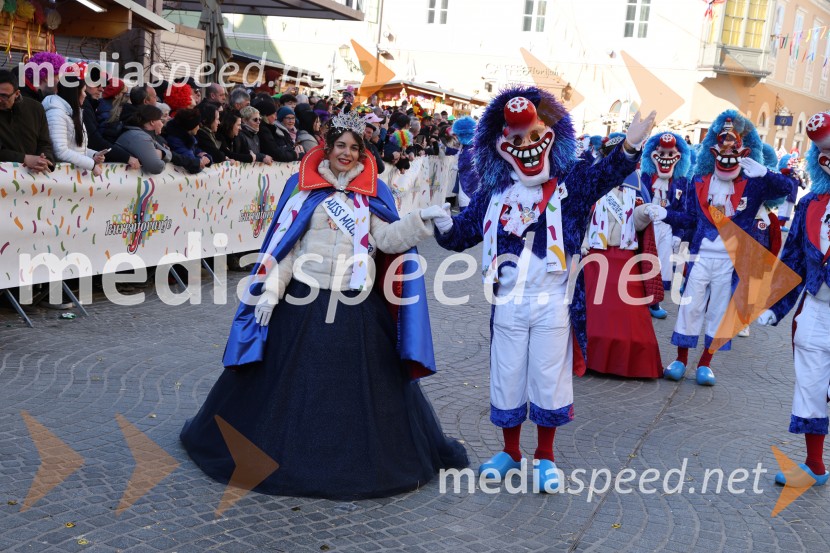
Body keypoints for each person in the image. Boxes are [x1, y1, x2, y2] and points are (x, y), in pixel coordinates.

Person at [180, 110, 468, 499]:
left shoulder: (372, 194)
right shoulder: (304, 192)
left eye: (354, 148)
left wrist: (420, 221)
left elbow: (386, 240)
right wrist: (269, 293)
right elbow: (286, 249)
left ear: (362, 153)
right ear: (327, 148)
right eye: (340, 146)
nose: (346, 154)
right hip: (304, 299)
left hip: (355, 303)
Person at [433, 86, 655, 492]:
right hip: (508, 302)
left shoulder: (572, 183)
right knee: (507, 375)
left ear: (553, 135)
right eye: (517, 139)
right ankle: (510, 452)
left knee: (548, 378)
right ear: (500, 146)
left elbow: (606, 174)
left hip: (553, 300)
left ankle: (546, 456)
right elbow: (464, 233)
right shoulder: (494, 192)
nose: (527, 145)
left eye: (535, 135)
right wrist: (444, 226)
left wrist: (629, 146)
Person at [661, 111, 794, 386]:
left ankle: (705, 363)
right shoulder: (699, 182)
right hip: (700, 258)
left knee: (719, 312)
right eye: (722, 147)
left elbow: (787, 187)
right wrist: (666, 217)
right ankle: (681, 359)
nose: (727, 152)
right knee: (690, 308)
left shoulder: (754, 184)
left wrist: (766, 173)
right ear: (712, 152)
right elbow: (690, 218)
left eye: (734, 148)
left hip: (730, 263)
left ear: (744, 152)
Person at [759, 111, 830, 487]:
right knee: (811, 386)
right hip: (816, 308)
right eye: (825, 153)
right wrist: (776, 306)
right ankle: (814, 464)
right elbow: (794, 262)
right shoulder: (811, 204)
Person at [581, 135, 664, 379]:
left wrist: (646, 211)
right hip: (595, 255)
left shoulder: (637, 184)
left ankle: (629, 364)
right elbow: (581, 215)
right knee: (592, 314)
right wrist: (582, 241)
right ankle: (588, 358)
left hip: (625, 256)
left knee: (629, 319)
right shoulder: (592, 180)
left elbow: (637, 224)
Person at [639, 132, 694, 319]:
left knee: (661, 264)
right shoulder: (645, 178)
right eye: (662, 153)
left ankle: (654, 302)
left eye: (671, 154)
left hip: (667, 227)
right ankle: (639, 300)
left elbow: (684, 211)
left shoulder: (682, 182)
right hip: (646, 226)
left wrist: (678, 233)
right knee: (643, 262)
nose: (666, 157)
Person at [42, 76, 106, 176]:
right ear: (75, 93)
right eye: (83, 91)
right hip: (60, 176)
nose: (85, 95)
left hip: (71, 176)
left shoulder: (72, 113)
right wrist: (91, 165)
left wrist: (93, 155)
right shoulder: (56, 114)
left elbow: (76, 148)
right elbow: (60, 151)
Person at [0, 69, 55, 172]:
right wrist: (24, 158)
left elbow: (45, 143)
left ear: (17, 93)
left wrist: (45, 160)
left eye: (4, 96)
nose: (0, 100)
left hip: (35, 176)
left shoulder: (36, 108)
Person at [116, 104, 172, 175]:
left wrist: (161, 153)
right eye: (160, 120)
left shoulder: (140, 134)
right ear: (152, 122)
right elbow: (156, 167)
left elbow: (169, 154)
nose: (162, 124)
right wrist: (163, 154)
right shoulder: (140, 137)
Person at [162, 108, 211, 173]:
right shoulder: (175, 140)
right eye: (197, 125)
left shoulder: (189, 138)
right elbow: (193, 164)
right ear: (190, 127)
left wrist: (207, 157)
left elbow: (196, 151)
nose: (198, 127)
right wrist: (201, 160)